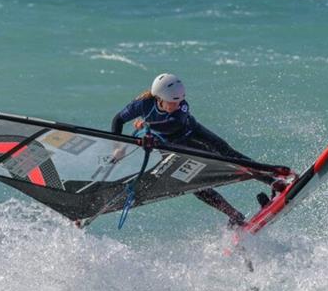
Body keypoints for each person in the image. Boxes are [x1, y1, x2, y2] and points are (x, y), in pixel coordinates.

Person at [111, 73, 288, 228]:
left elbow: (175, 124)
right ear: (159, 99)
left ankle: (273, 182)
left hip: (193, 134)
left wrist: (148, 124)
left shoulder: (182, 105)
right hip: (171, 146)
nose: (178, 104)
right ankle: (234, 215)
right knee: (194, 184)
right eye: (173, 102)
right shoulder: (143, 104)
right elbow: (118, 120)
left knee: (229, 155)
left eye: (180, 100)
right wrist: (117, 148)